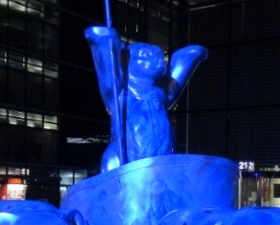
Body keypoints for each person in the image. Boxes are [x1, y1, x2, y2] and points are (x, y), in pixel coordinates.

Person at [85, 26, 209, 172]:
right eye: (145, 56)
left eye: (159, 56)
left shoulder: (160, 93)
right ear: (127, 62)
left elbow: (175, 84)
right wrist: (105, 41)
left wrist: (188, 59)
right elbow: (107, 71)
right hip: (125, 159)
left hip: (160, 160)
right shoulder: (120, 90)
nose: (157, 60)